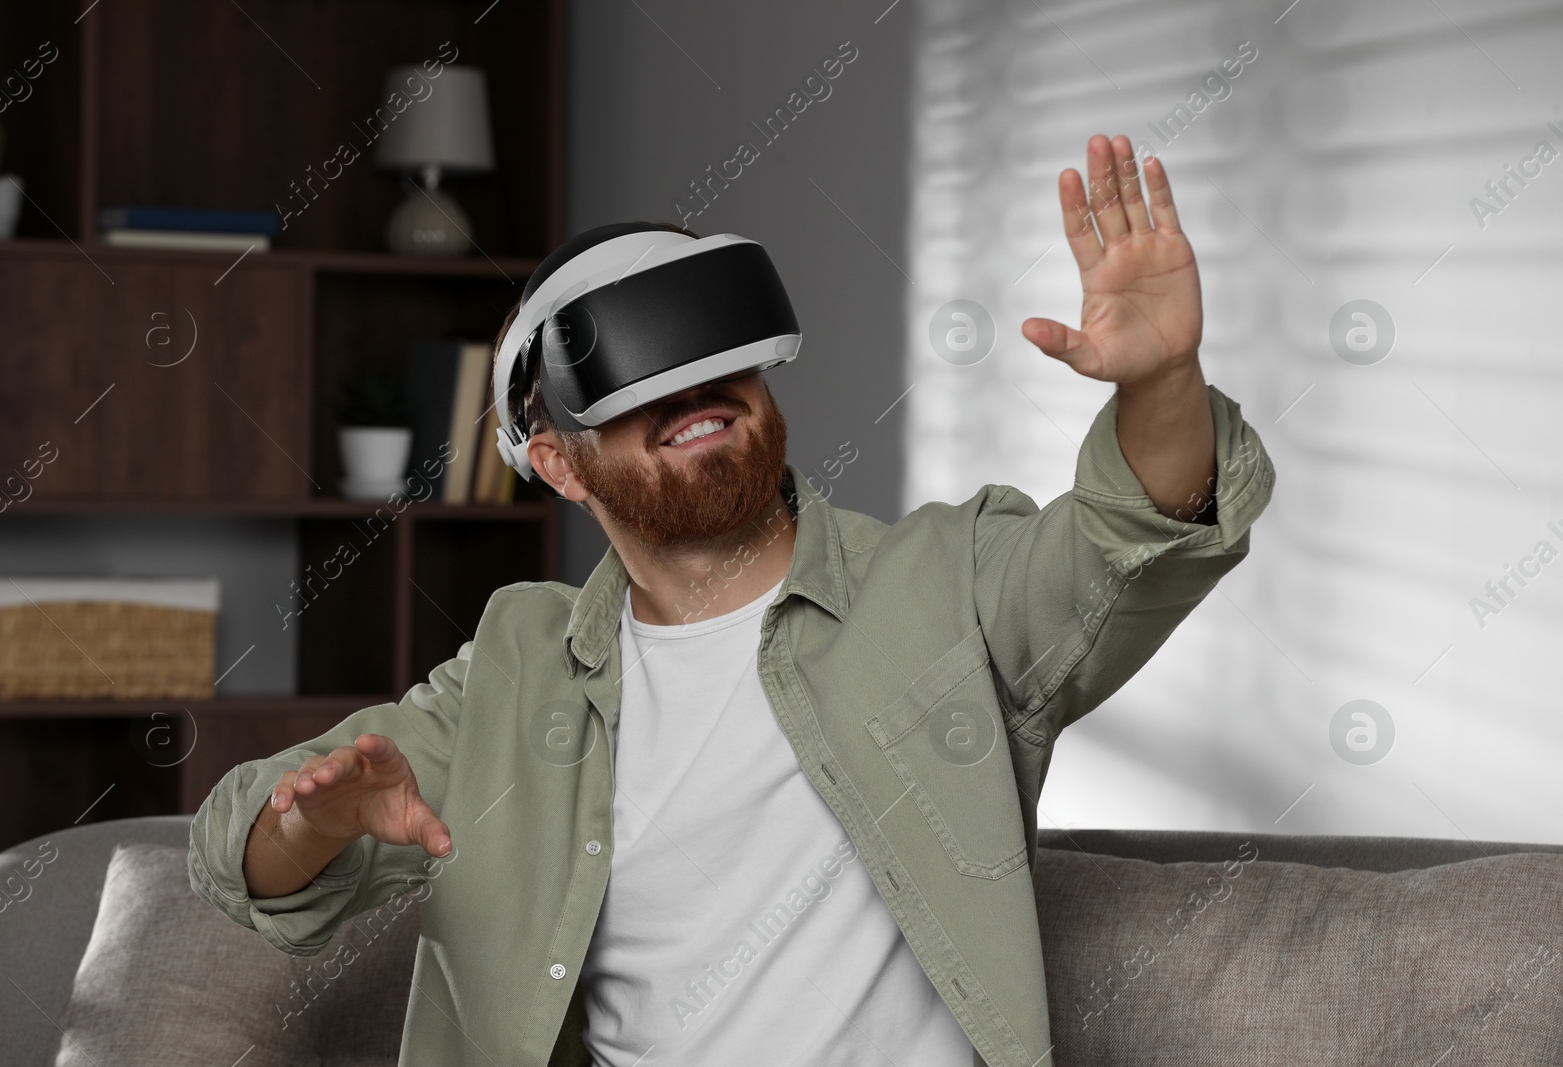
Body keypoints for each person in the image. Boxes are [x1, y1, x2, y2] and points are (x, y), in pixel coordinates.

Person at [189, 133, 1275, 1067]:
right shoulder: (517, 669)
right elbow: (238, 853)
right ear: (561, 463)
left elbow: (1132, 536)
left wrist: (1161, 383)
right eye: (642, 382)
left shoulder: (949, 585)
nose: (696, 393)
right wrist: (312, 818)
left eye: (721, 361)